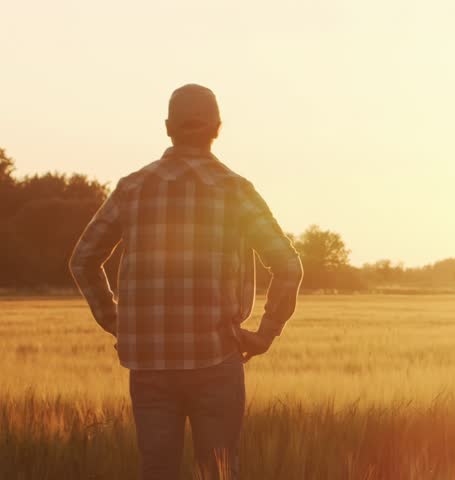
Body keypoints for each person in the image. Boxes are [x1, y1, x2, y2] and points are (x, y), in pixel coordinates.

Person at [69, 84, 303, 480]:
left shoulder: (132, 188)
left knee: (157, 470)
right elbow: (288, 265)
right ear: (218, 128)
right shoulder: (235, 191)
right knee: (219, 472)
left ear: (167, 128)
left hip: (149, 365)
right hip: (217, 361)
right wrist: (265, 333)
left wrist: (116, 320)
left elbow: (83, 260)